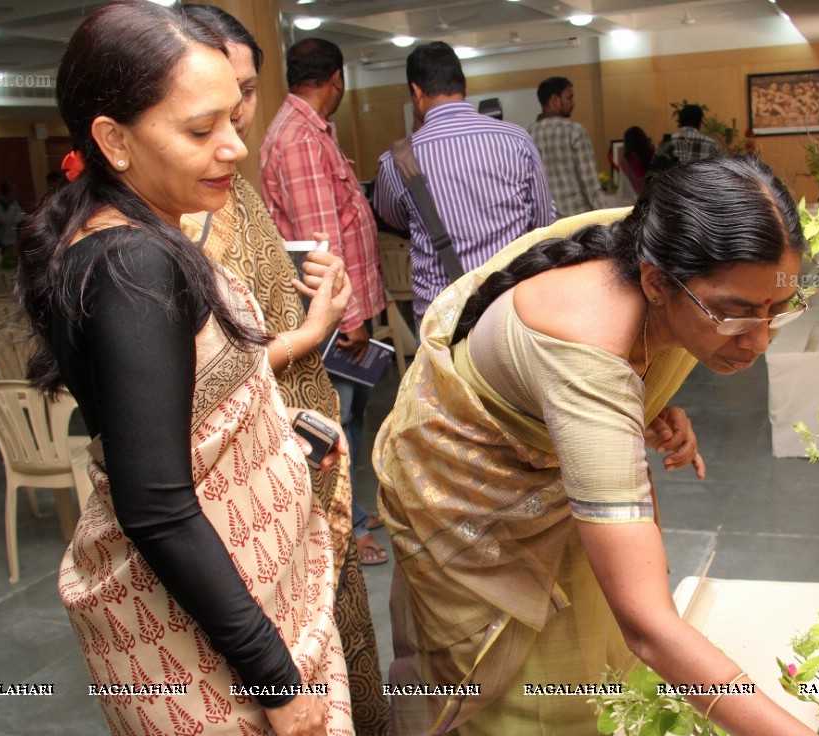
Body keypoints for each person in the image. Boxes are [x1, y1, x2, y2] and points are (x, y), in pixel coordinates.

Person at [372, 158, 819, 736]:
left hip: (559, 482)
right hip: (480, 518)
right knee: (528, 721)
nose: (760, 340)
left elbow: (623, 369)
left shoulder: (655, 258)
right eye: (737, 315)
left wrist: (645, 408)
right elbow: (650, 625)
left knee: (601, 674)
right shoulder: (586, 350)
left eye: (780, 310)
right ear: (655, 284)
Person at [16, 2, 369, 736]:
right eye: (201, 129)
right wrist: (277, 682)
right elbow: (158, 506)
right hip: (212, 648)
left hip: (221, 608)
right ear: (113, 140)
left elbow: (181, 417)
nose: (235, 148)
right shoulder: (133, 262)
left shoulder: (126, 232)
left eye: (235, 118)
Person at [178, 7, 412, 736]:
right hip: (242, 498)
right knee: (285, 717)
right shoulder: (160, 219)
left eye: (246, 91)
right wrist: (314, 329)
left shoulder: (231, 186)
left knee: (346, 670)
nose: (242, 118)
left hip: (301, 469)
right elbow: (192, 382)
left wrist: (322, 295)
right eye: (221, 99)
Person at [259, 36, 391, 568]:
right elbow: (321, 244)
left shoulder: (310, 132)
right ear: (336, 79)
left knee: (351, 416)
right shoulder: (300, 139)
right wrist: (352, 317)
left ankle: (355, 509)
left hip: (336, 312)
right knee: (333, 424)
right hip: (332, 314)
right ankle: (345, 529)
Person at [373, 41, 555, 323]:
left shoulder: (398, 160)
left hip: (443, 317)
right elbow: (543, 222)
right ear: (463, 86)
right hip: (512, 307)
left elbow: (394, 220)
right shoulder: (516, 139)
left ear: (417, 92)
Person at [527, 76, 607, 218]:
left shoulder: (528, 135)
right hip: (577, 219)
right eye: (569, 97)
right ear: (555, 100)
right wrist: (604, 217)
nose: (573, 103)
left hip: (547, 224)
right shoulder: (574, 131)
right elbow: (589, 181)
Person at [650, 103, 720, 180]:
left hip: (673, 187)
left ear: (680, 121)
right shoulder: (710, 143)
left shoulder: (667, 141)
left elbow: (654, 164)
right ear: (700, 122)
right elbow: (716, 170)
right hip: (700, 187)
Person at [618, 125, 653, 199]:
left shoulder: (628, 161)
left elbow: (624, 188)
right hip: (653, 195)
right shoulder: (652, 155)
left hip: (636, 198)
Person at [0, 181, 25, 251]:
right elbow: (6, 221)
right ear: (6, 192)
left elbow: (22, 217)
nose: (16, 193)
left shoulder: (16, 205)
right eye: (13, 190)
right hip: (8, 244)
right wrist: (12, 205)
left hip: (19, 242)